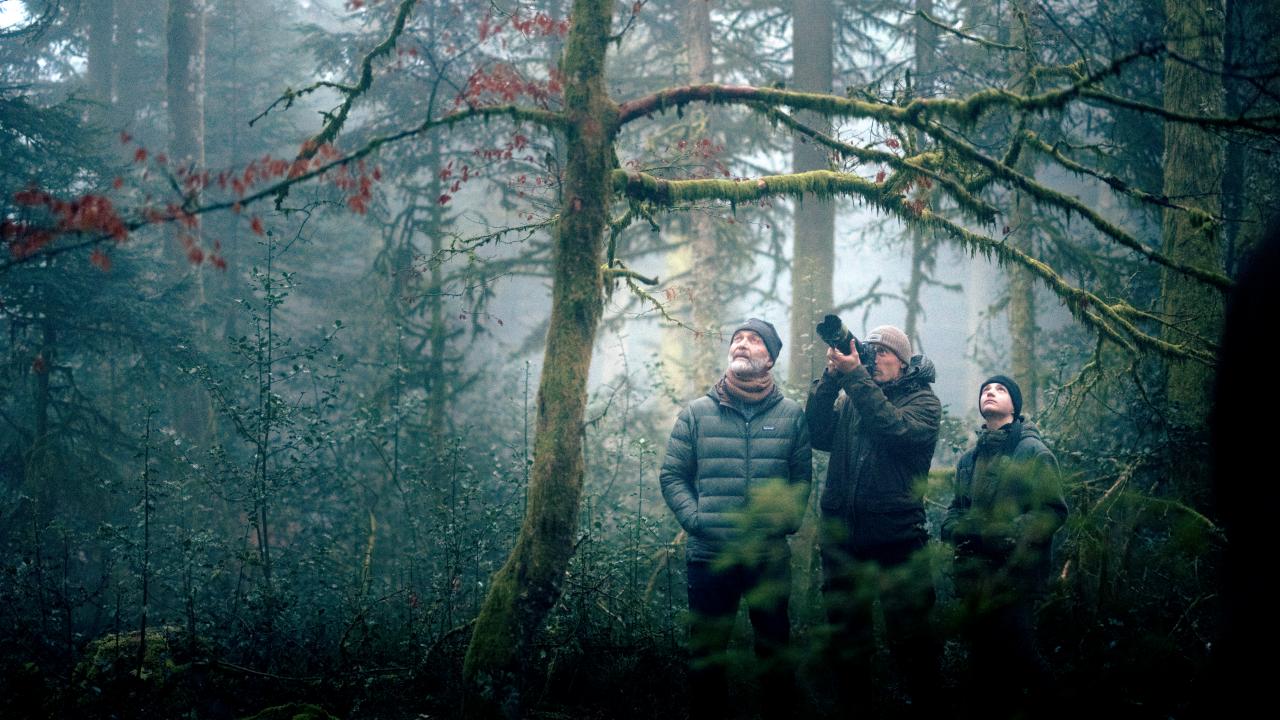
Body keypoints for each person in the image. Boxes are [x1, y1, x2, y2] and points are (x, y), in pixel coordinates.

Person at [659, 318, 812, 719]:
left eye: (754, 340)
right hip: (710, 555)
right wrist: (696, 520)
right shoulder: (697, 413)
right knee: (707, 655)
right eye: (737, 339)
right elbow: (672, 474)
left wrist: (788, 519)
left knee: (775, 652)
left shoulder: (792, 416)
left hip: (769, 556)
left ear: (770, 357)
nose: (742, 344)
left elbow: (801, 478)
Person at [806, 324, 942, 711]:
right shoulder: (855, 397)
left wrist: (855, 377)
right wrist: (832, 378)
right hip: (844, 540)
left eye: (882, 353)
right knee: (847, 647)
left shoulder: (923, 402)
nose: (874, 359)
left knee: (913, 645)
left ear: (901, 361)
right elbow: (817, 433)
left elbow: (893, 430)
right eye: (869, 352)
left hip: (897, 538)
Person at [940, 375, 1068, 716]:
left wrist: (1008, 535)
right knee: (983, 666)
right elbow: (956, 510)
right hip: (974, 580)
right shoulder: (969, 458)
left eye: (1000, 390)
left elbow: (1052, 510)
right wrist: (954, 530)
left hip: (1016, 577)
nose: (990, 393)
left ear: (1014, 405)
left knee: (1022, 655)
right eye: (985, 389)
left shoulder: (1033, 451)